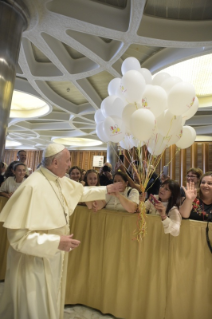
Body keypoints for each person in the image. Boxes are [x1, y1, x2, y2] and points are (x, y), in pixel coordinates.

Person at [0, 143, 123, 319]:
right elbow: (18, 238)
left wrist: (107, 189)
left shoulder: (57, 179)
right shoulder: (32, 186)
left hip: (52, 258)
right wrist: (56, 242)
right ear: (55, 163)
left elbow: (79, 192)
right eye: (68, 160)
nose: (69, 164)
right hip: (33, 264)